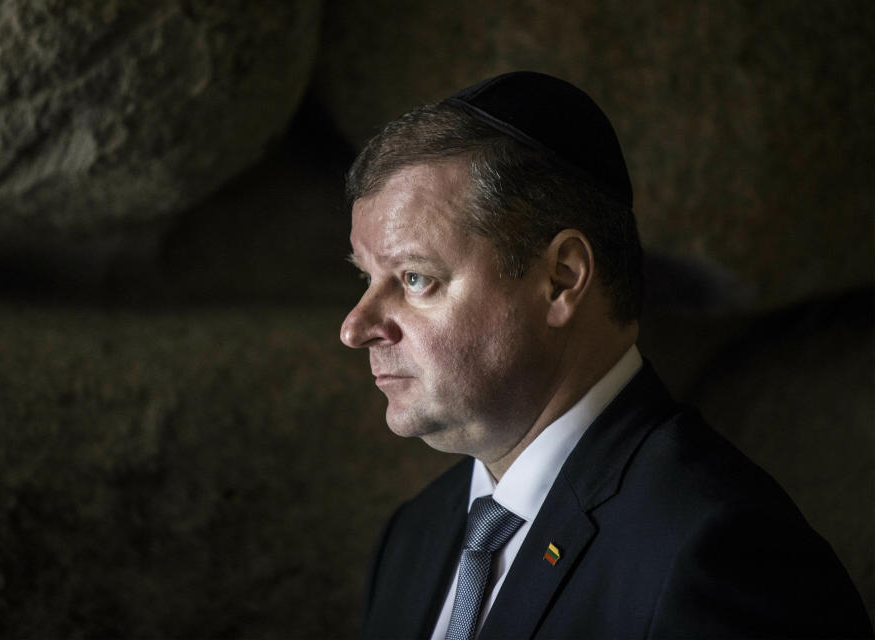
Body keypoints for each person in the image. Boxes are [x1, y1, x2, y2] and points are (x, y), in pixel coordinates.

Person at [339, 72, 872, 639]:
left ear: (562, 279)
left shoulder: (722, 550)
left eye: (415, 278)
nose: (356, 327)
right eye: (366, 278)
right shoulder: (413, 536)